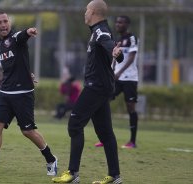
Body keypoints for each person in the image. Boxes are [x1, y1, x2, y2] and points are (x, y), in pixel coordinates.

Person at [0, 12, 58, 176]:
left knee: (27, 131)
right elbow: (14, 65)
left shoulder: (16, 38)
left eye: (5, 21)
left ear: (9, 23)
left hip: (23, 93)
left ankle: (51, 159)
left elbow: (22, 35)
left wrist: (30, 31)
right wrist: (28, 73)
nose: (3, 24)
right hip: (5, 92)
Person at [52, 0, 123, 183]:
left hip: (96, 86)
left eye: (86, 10)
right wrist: (116, 53)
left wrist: (116, 52)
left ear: (92, 12)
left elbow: (108, 43)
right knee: (105, 132)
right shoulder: (97, 31)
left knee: (75, 125)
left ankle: (73, 173)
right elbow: (109, 46)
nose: (84, 13)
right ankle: (115, 176)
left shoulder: (100, 31)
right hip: (101, 86)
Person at [95, 15, 139, 149]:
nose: (118, 24)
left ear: (127, 24)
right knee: (104, 102)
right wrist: (112, 72)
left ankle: (132, 141)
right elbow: (114, 59)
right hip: (116, 78)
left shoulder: (132, 38)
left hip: (130, 78)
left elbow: (131, 58)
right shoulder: (117, 40)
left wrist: (119, 73)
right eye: (117, 22)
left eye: (121, 22)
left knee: (130, 108)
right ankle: (105, 138)